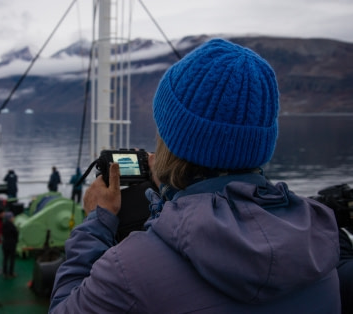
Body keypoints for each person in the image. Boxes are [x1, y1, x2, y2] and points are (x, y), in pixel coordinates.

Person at [49, 39, 341, 313]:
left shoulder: (129, 270)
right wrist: (167, 193)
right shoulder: (320, 245)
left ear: (170, 144)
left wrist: (96, 223)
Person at [2, 211, 19, 279]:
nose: (13, 218)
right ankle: (11, 273)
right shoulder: (12, 226)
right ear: (10, 218)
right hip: (11, 245)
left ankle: (5, 273)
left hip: (5, 244)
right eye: (12, 217)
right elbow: (16, 234)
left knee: (5, 259)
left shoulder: (4, 224)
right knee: (12, 259)